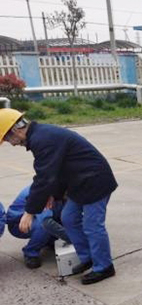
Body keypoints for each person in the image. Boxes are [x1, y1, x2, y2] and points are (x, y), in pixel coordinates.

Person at [0, 108, 118, 284]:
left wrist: (29, 212)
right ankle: (87, 258)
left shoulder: (42, 139)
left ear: (16, 130)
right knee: (69, 218)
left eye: (8, 139)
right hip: (78, 182)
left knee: (92, 226)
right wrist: (53, 194)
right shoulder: (39, 136)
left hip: (94, 181)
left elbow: (44, 177)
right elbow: (57, 170)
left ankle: (104, 267)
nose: (12, 144)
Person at [6, 184, 70, 269]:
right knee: (44, 227)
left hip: (39, 218)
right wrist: (71, 238)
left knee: (63, 215)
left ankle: (48, 241)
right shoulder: (42, 192)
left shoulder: (57, 189)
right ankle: (30, 253)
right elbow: (46, 222)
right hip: (19, 224)